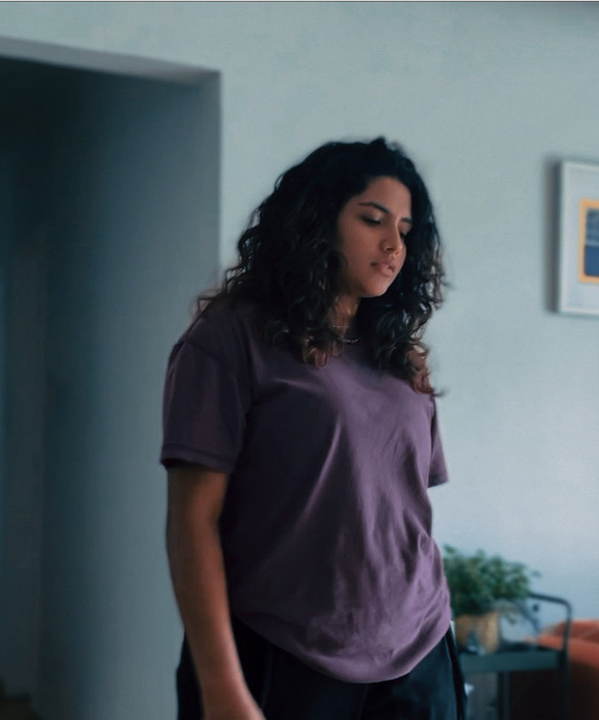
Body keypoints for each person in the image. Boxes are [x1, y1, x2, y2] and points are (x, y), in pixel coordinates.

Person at [161, 137, 463, 720]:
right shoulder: (230, 337)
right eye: (372, 219)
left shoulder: (402, 357)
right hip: (282, 655)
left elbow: (396, 512)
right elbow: (192, 522)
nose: (394, 244)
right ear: (316, 222)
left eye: (405, 229)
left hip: (419, 654)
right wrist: (221, 685)